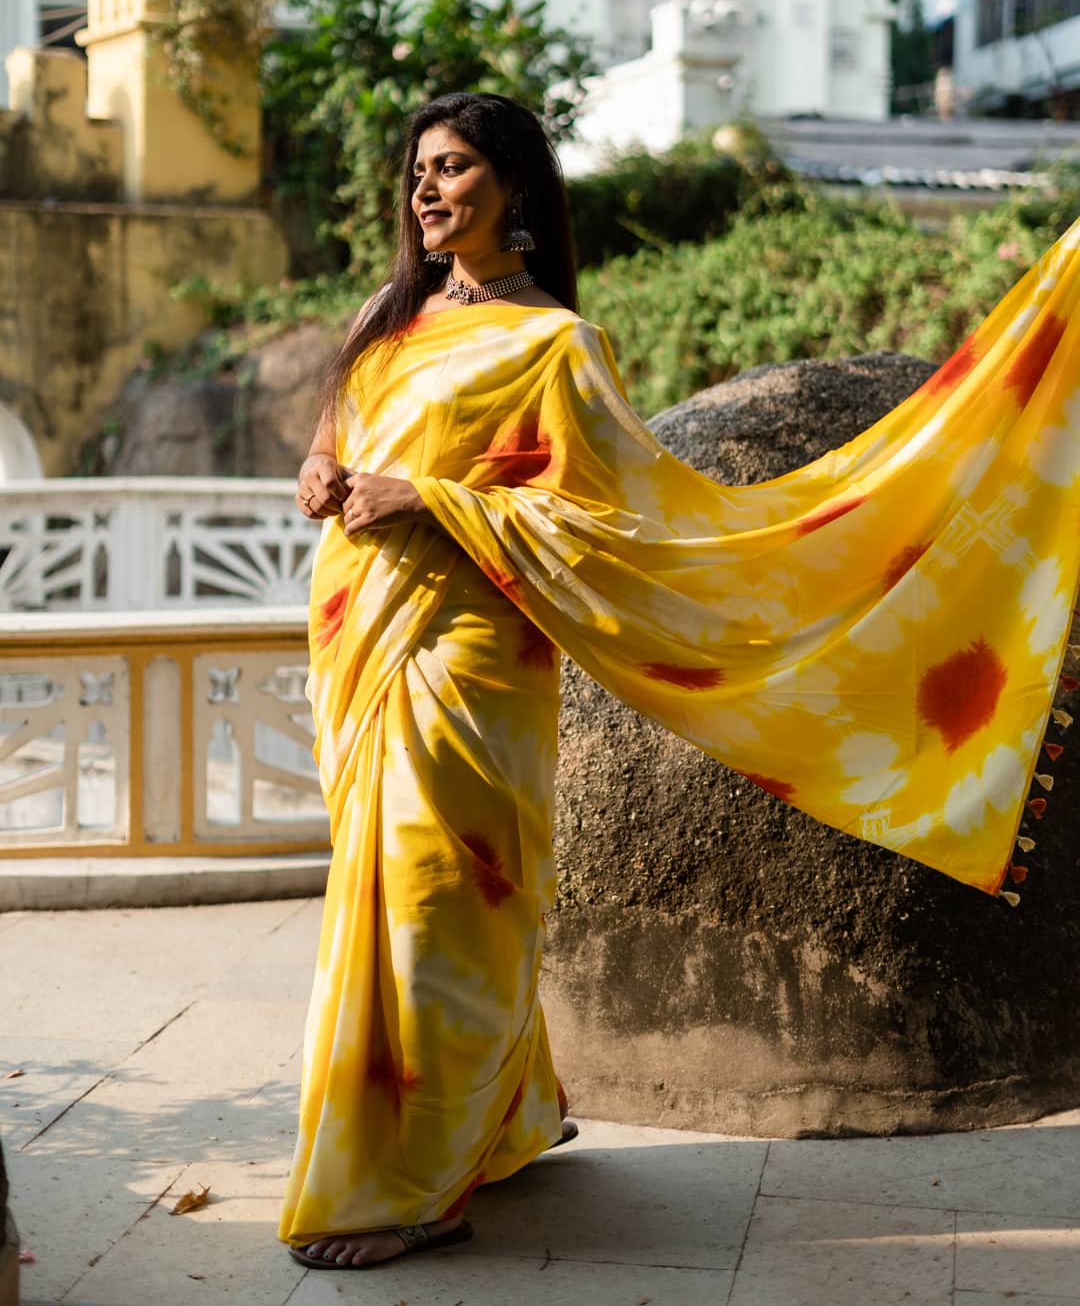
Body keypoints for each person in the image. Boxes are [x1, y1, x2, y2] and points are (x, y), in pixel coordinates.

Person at [281, 92, 1080, 1270]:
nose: (427, 192)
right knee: (394, 894)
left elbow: (620, 528)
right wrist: (321, 467)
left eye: (453, 169)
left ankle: (402, 1178)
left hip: (466, 655)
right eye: (418, 174)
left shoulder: (556, 347)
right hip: (359, 639)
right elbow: (339, 431)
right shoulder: (386, 318)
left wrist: (438, 501)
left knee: (440, 903)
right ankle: (499, 1118)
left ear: (513, 187)